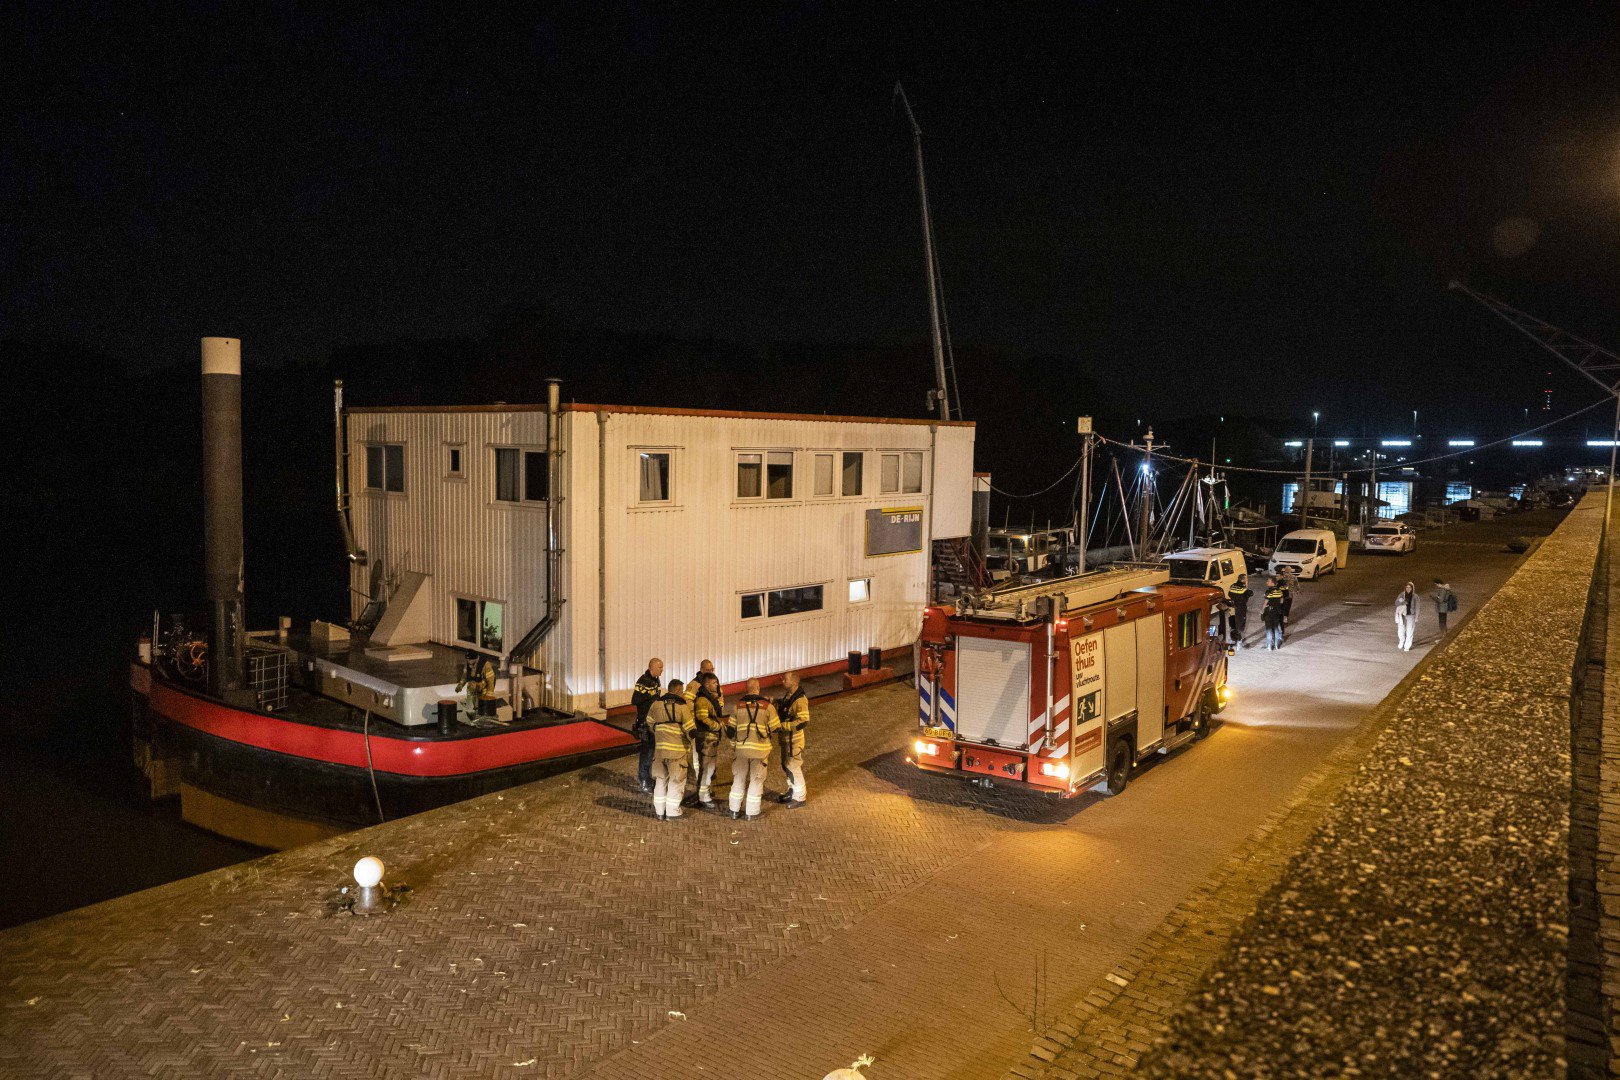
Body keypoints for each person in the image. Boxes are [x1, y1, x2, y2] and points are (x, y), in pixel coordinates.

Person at [727, 678, 781, 820]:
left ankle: (734, 811)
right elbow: (776, 728)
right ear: (758, 688)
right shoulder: (768, 707)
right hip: (760, 752)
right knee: (756, 781)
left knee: (738, 779)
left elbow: (730, 731)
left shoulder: (737, 706)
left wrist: (734, 747)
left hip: (741, 751)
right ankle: (751, 813)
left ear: (747, 689)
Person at [648, 678, 695, 820]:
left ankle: (659, 812)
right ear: (678, 691)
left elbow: (649, 722)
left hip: (660, 751)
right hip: (677, 752)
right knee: (676, 781)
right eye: (683, 691)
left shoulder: (655, 704)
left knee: (661, 781)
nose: (684, 694)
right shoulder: (683, 707)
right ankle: (673, 812)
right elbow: (690, 729)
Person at [689, 672, 726, 808]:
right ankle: (703, 797)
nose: (717, 684)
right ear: (707, 684)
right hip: (706, 739)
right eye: (714, 682)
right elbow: (702, 718)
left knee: (710, 768)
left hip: (711, 740)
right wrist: (717, 726)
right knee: (705, 769)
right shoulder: (703, 700)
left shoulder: (710, 698)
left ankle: (705, 792)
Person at [774, 671, 811, 807]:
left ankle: (800, 797)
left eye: (785, 679)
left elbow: (803, 721)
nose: (783, 681)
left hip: (793, 740)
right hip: (786, 740)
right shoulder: (789, 696)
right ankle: (792, 790)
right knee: (786, 765)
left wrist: (783, 726)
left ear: (794, 682)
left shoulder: (800, 700)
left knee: (793, 767)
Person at [630, 658, 664, 794]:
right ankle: (644, 780)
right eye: (660, 667)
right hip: (645, 722)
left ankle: (648, 778)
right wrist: (650, 699)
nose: (662, 669)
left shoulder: (656, 680)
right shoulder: (643, 681)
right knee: (647, 752)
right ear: (652, 667)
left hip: (652, 721)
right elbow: (635, 700)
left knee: (651, 751)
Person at [455, 651, 496, 716]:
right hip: (473, 686)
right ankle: (471, 711)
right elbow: (465, 676)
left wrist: (489, 696)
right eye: (467, 660)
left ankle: (481, 713)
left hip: (483, 687)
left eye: (469, 660)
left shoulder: (485, 665)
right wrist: (460, 685)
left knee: (481, 703)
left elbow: (491, 681)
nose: (468, 661)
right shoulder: (468, 664)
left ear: (475, 659)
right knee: (471, 687)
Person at [1227, 575, 1252, 648]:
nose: (1247, 580)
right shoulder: (1243, 589)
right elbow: (1250, 593)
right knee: (1240, 625)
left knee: (1232, 624)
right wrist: (1246, 587)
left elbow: (1229, 594)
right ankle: (1239, 642)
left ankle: (1231, 640)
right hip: (1241, 609)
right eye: (1246, 579)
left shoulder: (1233, 586)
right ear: (1243, 580)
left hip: (1233, 607)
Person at [1261, 578, 1286, 651]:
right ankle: (1276, 645)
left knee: (1268, 628)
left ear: (1273, 583)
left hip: (1269, 611)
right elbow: (1281, 601)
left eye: (1268, 581)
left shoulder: (1268, 591)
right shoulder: (1280, 591)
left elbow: (1266, 602)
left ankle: (1269, 645)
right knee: (1275, 627)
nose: (1267, 582)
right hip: (1277, 611)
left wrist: (1262, 610)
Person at [1395, 581, 1418, 651]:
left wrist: (1416, 617)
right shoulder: (1402, 594)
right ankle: (1401, 641)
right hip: (1402, 615)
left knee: (1410, 631)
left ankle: (1407, 646)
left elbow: (1417, 607)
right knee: (1401, 630)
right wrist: (1402, 601)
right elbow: (1396, 603)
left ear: (1412, 588)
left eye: (1410, 587)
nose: (1408, 589)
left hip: (1411, 615)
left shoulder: (1415, 596)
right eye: (1407, 587)